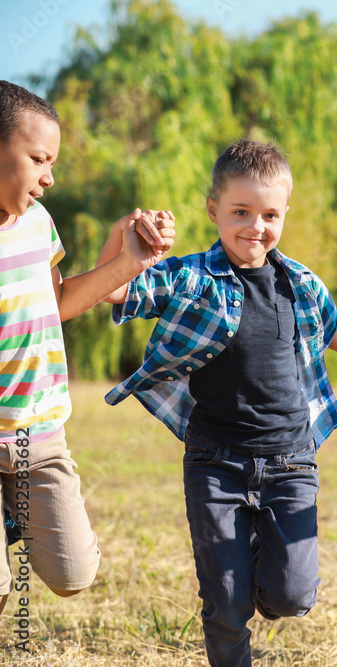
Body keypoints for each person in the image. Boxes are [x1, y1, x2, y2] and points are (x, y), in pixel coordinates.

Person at [100, 139, 337, 667]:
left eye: (270, 214)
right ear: (213, 209)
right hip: (215, 462)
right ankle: (233, 601)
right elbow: (115, 290)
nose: (255, 227)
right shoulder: (190, 276)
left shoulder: (300, 282)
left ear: (284, 214)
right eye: (240, 212)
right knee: (226, 604)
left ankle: (257, 565)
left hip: (291, 461)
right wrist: (125, 238)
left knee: (292, 596)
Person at [0, 80, 173, 618]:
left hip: (38, 436)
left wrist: (131, 260)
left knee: (75, 574)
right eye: (38, 159)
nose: (49, 177)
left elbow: (60, 301)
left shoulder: (37, 225)